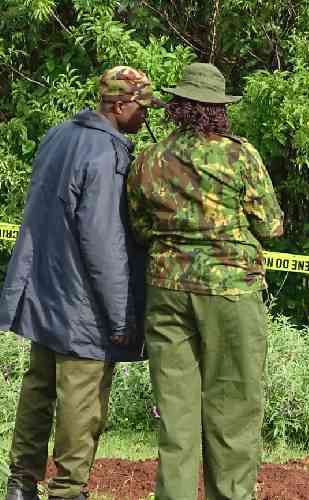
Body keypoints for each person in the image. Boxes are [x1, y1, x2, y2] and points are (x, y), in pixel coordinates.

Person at [126, 63, 284, 500]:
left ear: (177, 106)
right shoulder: (239, 155)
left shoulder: (149, 158)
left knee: (175, 416)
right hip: (230, 292)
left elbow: (140, 229)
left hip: (167, 289)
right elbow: (270, 226)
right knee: (233, 409)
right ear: (219, 110)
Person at [0, 66, 157, 500]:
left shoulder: (57, 136)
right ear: (120, 106)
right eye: (142, 109)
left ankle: (20, 482)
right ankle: (68, 491)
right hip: (83, 302)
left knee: (37, 389)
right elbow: (103, 240)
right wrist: (121, 312)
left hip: (43, 291)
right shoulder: (107, 154)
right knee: (80, 401)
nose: (146, 118)